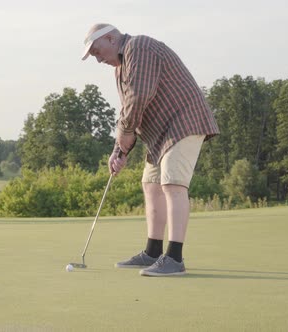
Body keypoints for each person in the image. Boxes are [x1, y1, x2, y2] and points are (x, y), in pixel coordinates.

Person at [81, 23, 219, 277]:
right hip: (160, 134)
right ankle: (153, 252)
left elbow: (139, 96)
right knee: (151, 184)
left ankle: (174, 258)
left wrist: (125, 137)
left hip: (183, 122)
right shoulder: (120, 68)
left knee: (172, 184)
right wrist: (119, 150)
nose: (98, 59)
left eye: (97, 51)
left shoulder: (139, 47)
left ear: (111, 39)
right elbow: (127, 112)